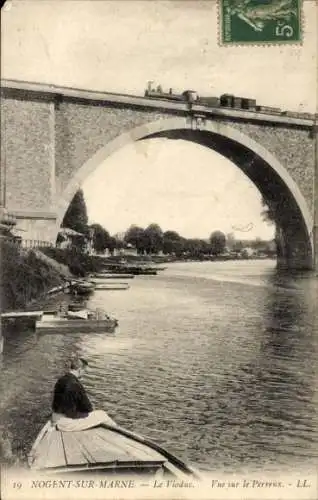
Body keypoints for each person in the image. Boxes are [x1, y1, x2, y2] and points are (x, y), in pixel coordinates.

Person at [51, 356, 116, 431]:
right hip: (65, 423)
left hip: (55, 417)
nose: (84, 374)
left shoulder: (61, 380)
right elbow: (88, 409)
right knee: (102, 415)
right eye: (84, 371)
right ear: (79, 370)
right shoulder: (76, 384)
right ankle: (119, 434)